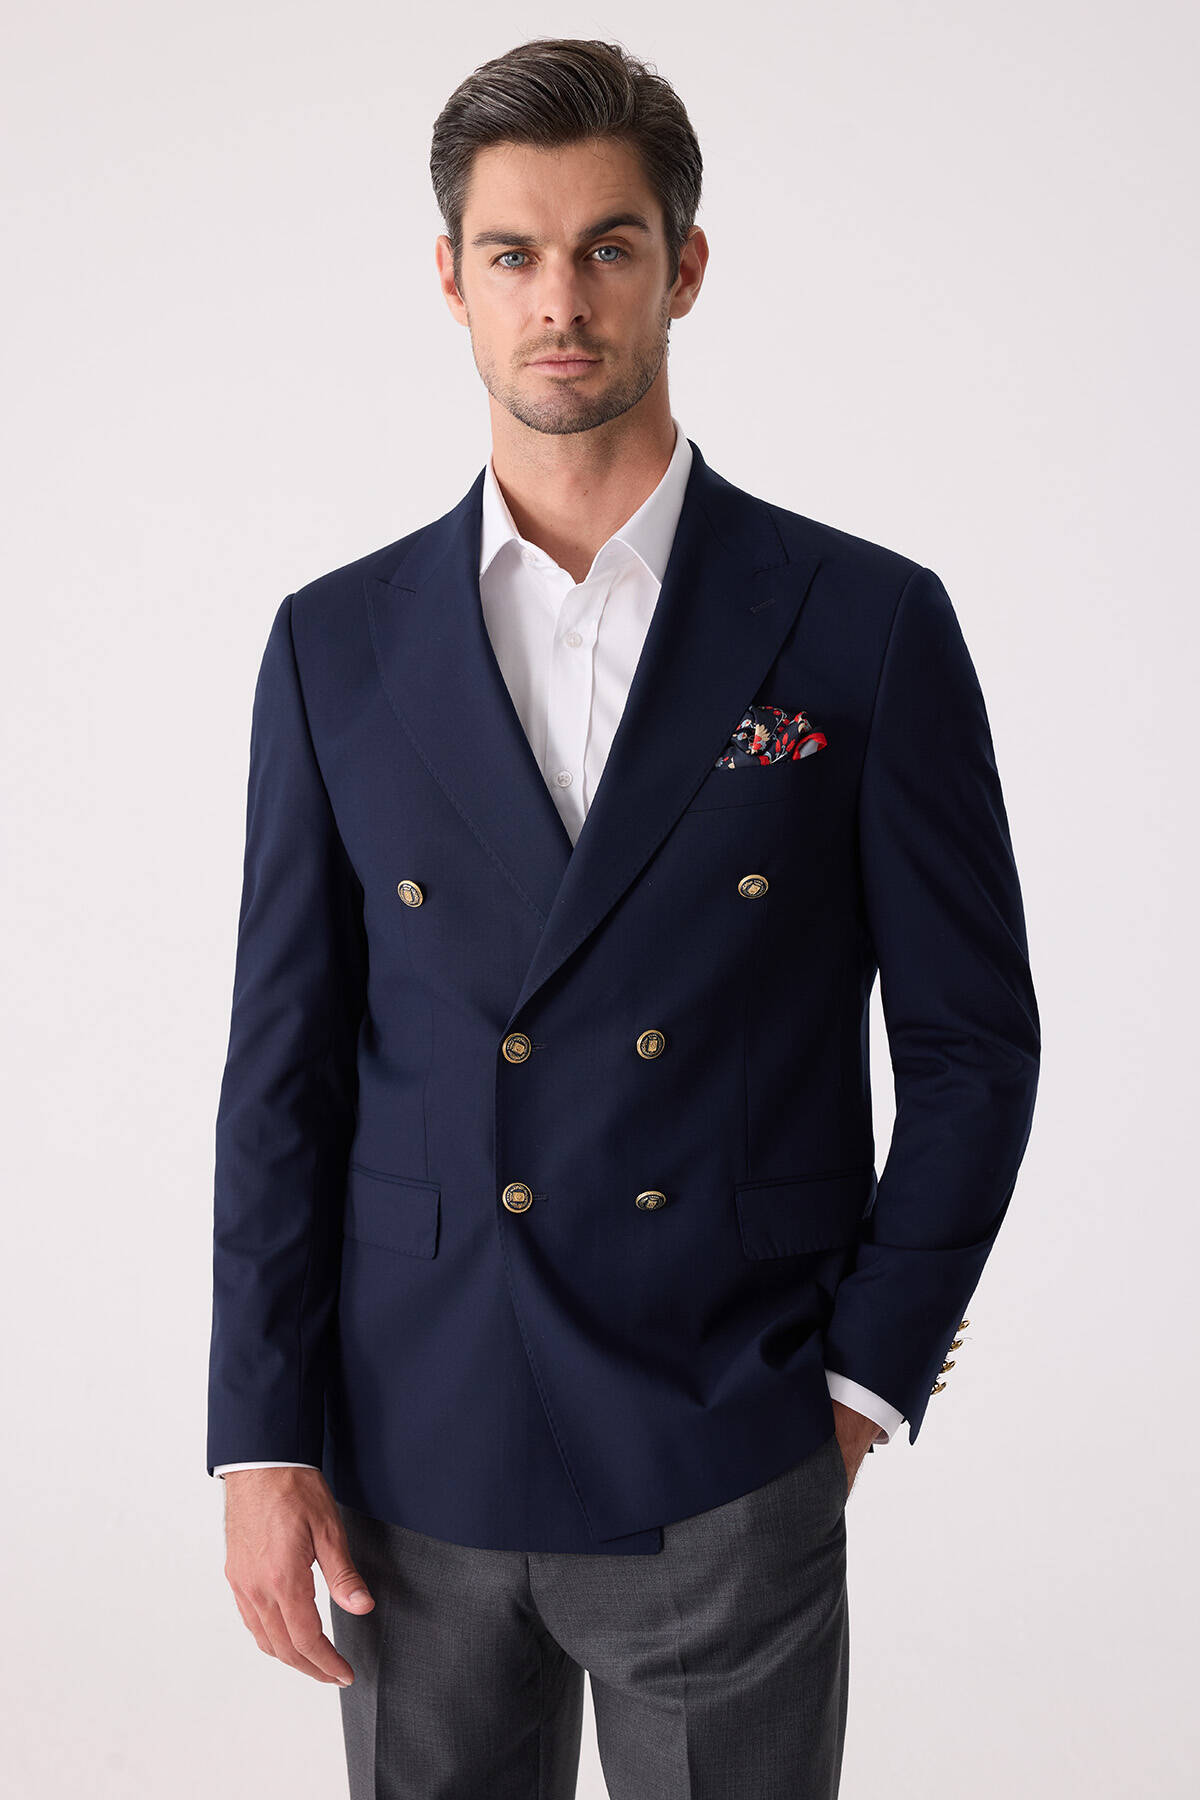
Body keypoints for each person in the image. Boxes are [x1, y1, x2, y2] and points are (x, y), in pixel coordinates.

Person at [207, 36, 1040, 1800]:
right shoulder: (335, 644)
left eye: (609, 247)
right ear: (451, 280)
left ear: (686, 268)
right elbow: (283, 1071)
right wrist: (259, 1437)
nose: (560, 298)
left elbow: (974, 1049)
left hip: (726, 1435)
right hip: (413, 1444)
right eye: (513, 252)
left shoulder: (863, 624)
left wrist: (859, 1390)